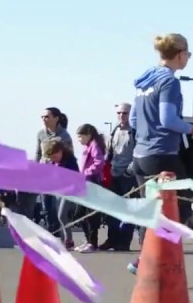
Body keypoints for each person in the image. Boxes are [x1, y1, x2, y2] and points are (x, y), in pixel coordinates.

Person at [126, 33, 193, 275]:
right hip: (162, 153)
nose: (188, 59)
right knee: (181, 208)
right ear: (180, 54)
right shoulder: (169, 82)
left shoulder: (144, 80)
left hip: (141, 155)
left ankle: (144, 261)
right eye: (188, 55)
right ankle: (155, 261)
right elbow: (168, 119)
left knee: (150, 211)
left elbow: (133, 119)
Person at [102, 102, 139, 251]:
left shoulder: (135, 131)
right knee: (113, 209)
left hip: (128, 175)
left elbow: (139, 153)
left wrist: (129, 170)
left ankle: (124, 242)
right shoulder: (115, 130)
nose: (121, 116)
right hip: (114, 173)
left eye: (124, 113)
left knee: (128, 210)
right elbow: (110, 152)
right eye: (119, 113)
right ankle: (112, 239)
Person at [69, 123, 108, 252]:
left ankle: (92, 242)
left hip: (92, 181)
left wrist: (86, 173)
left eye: (81, 136)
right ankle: (88, 240)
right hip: (84, 182)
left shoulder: (94, 145)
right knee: (80, 214)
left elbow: (99, 162)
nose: (79, 139)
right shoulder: (88, 146)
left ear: (88, 135)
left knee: (89, 214)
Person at [40, 138, 81, 250]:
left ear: (60, 151)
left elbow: (74, 176)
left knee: (61, 215)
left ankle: (69, 240)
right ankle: (67, 240)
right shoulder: (53, 162)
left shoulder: (70, 161)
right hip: (61, 191)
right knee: (60, 215)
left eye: (55, 156)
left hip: (71, 191)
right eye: (51, 158)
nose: (54, 159)